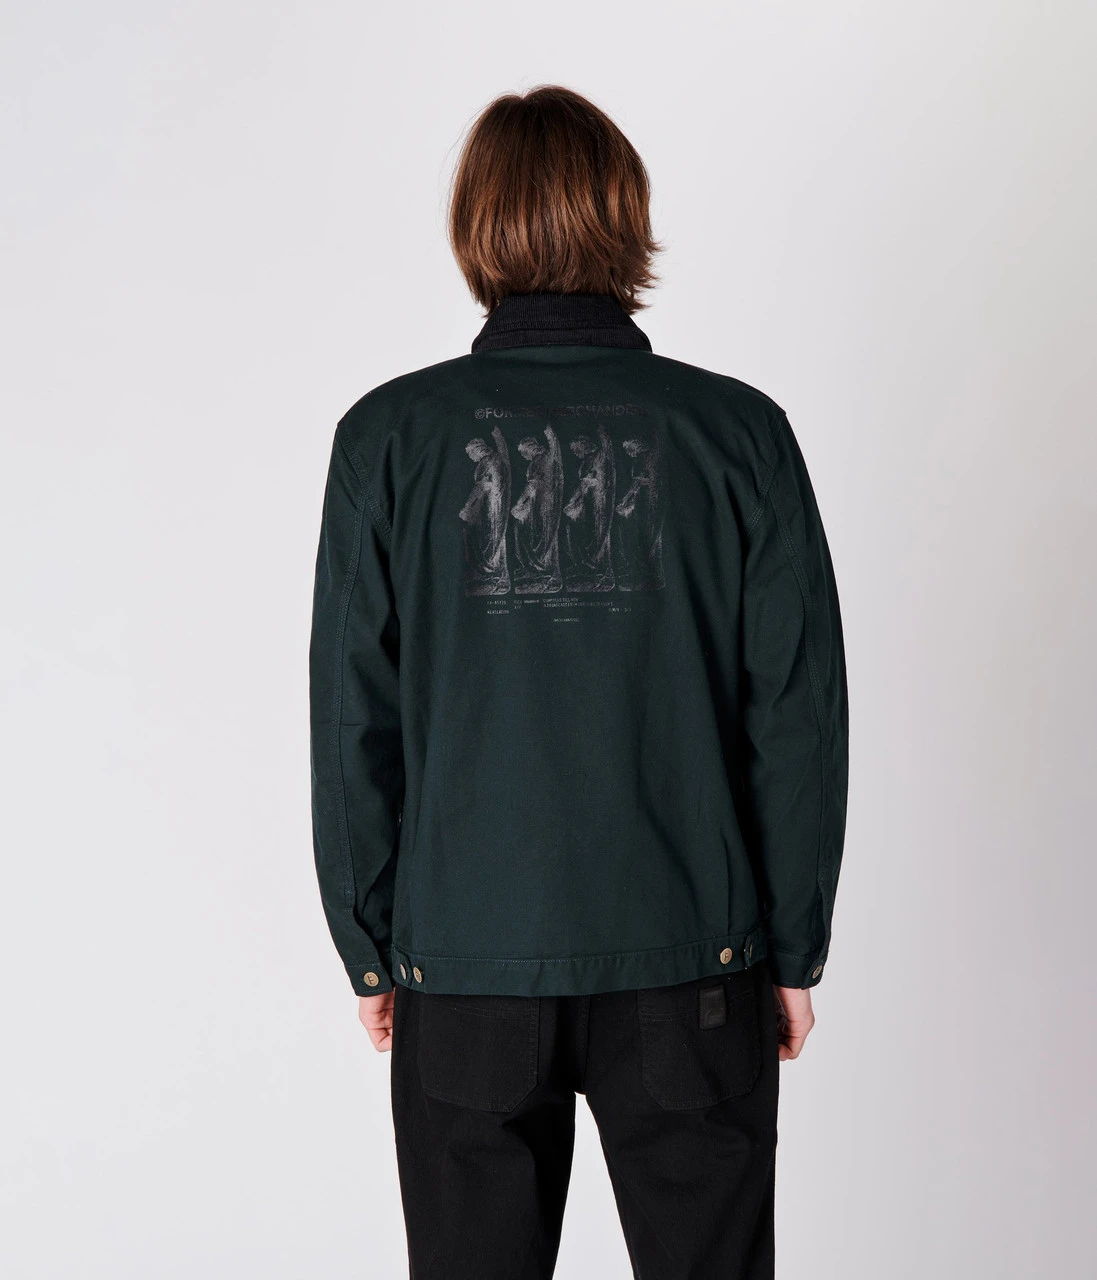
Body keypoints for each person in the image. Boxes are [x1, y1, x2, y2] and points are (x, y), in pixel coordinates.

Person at [309, 84, 849, 1280]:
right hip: (693, 963)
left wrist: (371, 942)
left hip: (463, 962)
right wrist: (792, 949)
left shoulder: (388, 439)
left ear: (475, 223)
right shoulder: (737, 434)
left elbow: (353, 716)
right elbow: (794, 715)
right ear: (624, 215)